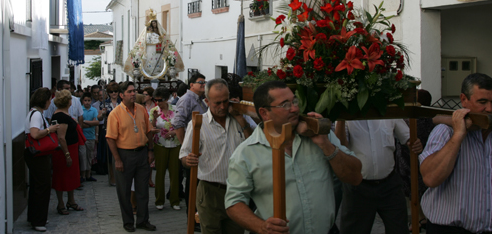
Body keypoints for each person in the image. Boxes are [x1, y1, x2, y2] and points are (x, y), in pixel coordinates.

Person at [225, 81, 362, 234]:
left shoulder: (319, 135)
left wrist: (325, 144)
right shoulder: (246, 153)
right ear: (264, 113)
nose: (295, 108)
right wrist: (261, 227)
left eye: (294, 101)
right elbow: (234, 202)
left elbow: (355, 177)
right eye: (285, 105)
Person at [420, 73, 492, 234]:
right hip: (449, 229)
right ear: (464, 100)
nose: (490, 109)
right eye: (482, 102)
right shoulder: (445, 133)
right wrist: (458, 135)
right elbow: (430, 177)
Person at [180, 79, 252, 234]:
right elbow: (184, 155)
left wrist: (240, 118)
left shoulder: (237, 119)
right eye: (217, 103)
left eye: (225, 101)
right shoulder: (198, 124)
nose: (222, 107)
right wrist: (188, 160)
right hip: (210, 191)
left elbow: (253, 145)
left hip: (237, 190)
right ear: (207, 101)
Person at [335, 118, 422, 234]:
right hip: (358, 188)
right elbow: (340, 147)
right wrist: (341, 120)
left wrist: (415, 144)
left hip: (389, 186)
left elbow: (408, 137)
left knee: (399, 229)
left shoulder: (389, 111)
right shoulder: (347, 115)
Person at [106, 81, 157, 232]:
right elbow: (110, 138)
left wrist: (150, 150)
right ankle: (128, 222)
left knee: (143, 190)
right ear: (122, 95)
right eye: (129, 91)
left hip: (142, 153)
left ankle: (143, 220)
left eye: (134, 91)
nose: (133, 94)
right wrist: (117, 159)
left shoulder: (141, 109)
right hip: (124, 155)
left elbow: (148, 130)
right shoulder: (115, 113)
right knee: (124, 191)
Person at [395, 89, 435, 231]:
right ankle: (421, 217)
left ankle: (417, 220)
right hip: (417, 158)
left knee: (414, 192)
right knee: (418, 191)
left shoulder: (415, 120)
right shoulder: (428, 118)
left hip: (411, 160)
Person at [174, 72, 208, 229]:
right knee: (192, 185)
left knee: (199, 184)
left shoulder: (201, 101)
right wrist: (184, 147)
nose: (203, 85)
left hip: (202, 150)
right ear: (191, 85)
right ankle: (192, 220)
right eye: (200, 82)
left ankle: (198, 217)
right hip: (191, 149)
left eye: (204, 82)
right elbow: (179, 123)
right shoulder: (186, 99)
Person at [24, 88, 59, 232]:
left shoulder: (34, 113)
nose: (50, 102)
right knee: (42, 186)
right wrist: (51, 129)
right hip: (38, 155)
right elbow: (35, 133)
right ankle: (38, 220)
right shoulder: (37, 115)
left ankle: (34, 217)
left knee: (36, 185)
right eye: (49, 100)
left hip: (34, 154)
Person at [124, 9, 184, 79]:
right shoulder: (147, 34)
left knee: (158, 60)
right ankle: (149, 72)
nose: (153, 25)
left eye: (155, 23)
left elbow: (164, 40)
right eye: (152, 24)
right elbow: (145, 40)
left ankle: (159, 72)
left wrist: (161, 40)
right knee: (149, 59)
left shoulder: (160, 31)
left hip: (158, 49)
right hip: (150, 49)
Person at [51, 90, 84, 215]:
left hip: (72, 148)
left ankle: (71, 201)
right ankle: (60, 204)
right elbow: (61, 137)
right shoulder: (61, 117)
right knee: (61, 177)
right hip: (65, 150)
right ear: (67, 101)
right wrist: (67, 155)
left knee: (71, 177)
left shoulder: (64, 114)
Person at [150, 87, 181, 210]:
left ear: (167, 99)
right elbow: (150, 129)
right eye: (155, 100)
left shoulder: (176, 109)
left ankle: (175, 200)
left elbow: (181, 125)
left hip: (175, 144)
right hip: (160, 144)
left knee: (175, 173)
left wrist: (174, 133)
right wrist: (154, 119)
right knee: (160, 173)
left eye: (160, 100)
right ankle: (159, 200)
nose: (158, 102)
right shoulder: (153, 111)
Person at [103, 82, 122, 186]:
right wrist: (102, 114)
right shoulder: (105, 103)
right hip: (109, 130)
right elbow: (99, 118)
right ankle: (112, 177)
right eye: (111, 91)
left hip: (121, 131)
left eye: (115, 91)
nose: (114, 93)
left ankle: (120, 177)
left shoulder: (122, 102)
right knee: (111, 156)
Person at [81, 92, 99, 182]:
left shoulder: (94, 110)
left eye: (88, 100)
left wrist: (85, 122)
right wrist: (90, 123)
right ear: (82, 101)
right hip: (82, 136)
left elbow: (96, 123)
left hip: (91, 136)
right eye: (85, 100)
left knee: (90, 156)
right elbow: (79, 124)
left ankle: (88, 174)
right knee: (82, 156)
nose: (87, 102)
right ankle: (83, 175)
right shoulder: (80, 109)